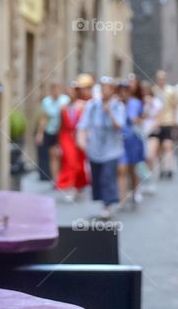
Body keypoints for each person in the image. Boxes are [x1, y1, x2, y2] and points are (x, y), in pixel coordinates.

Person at [78, 76, 126, 217]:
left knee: (107, 176)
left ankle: (108, 204)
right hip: (95, 148)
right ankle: (104, 201)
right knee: (97, 177)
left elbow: (119, 126)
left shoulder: (118, 106)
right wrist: (81, 141)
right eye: (102, 87)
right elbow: (83, 124)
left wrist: (109, 112)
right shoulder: (92, 106)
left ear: (112, 90)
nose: (105, 91)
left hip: (112, 149)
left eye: (107, 88)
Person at [56, 76, 92, 200]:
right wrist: (59, 143)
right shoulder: (64, 107)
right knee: (70, 162)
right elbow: (61, 125)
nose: (70, 93)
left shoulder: (83, 105)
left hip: (79, 136)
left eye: (73, 90)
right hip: (67, 137)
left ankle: (79, 186)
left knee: (79, 163)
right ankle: (70, 186)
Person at [118, 77, 145, 205]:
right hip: (119, 140)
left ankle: (135, 191)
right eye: (121, 91)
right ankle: (122, 196)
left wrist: (137, 120)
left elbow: (141, 119)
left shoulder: (136, 103)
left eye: (125, 91)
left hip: (133, 139)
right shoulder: (116, 104)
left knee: (133, 168)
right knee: (122, 168)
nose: (123, 94)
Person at [147, 69, 178, 180]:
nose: (161, 80)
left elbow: (175, 106)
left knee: (168, 145)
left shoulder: (171, 90)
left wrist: (175, 121)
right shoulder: (153, 91)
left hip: (168, 121)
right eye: (159, 78)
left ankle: (169, 168)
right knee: (158, 148)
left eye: (163, 78)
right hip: (157, 122)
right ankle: (161, 168)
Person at [35, 82, 69, 183]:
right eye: (53, 90)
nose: (55, 92)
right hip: (50, 131)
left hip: (62, 132)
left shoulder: (65, 100)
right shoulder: (46, 102)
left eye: (57, 89)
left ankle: (63, 177)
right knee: (52, 154)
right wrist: (40, 133)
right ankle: (55, 178)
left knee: (62, 155)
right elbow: (44, 118)